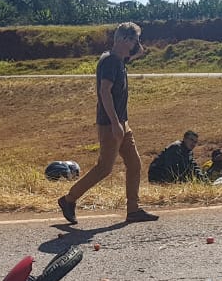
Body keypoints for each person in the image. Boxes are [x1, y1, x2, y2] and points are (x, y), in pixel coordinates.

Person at [58, 22, 158, 224]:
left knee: (134, 164)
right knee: (104, 168)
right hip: (110, 124)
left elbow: (141, 52)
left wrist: (136, 42)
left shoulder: (120, 59)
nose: (136, 44)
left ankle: (133, 209)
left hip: (122, 123)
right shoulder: (111, 62)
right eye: (133, 40)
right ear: (123, 40)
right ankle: (69, 199)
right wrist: (114, 123)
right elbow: (105, 92)